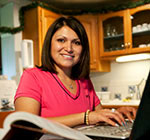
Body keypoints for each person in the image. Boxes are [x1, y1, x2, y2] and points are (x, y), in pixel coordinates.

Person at [15, 16, 136, 127]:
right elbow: (27, 125)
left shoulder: (84, 81)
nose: (69, 48)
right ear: (49, 44)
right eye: (61, 40)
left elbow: (99, 116)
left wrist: (116, 114)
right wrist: (85, 117)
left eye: (76, 43)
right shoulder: (33, 76)